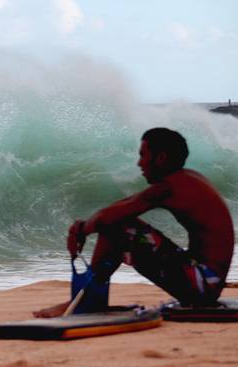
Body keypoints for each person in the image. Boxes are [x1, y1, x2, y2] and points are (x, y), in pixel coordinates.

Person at [35, 127, 234, 318]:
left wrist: (80, 230)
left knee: (118, 226)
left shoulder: (169, 187)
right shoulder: (186, 179)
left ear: (161, 158)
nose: (139, 163)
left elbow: (110, 217)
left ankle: (86, 300)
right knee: (118, 222)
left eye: (143, 155)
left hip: (203, 285)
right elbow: (123, 205)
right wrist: (83, 227)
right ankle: (89, 298)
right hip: (206, 281)